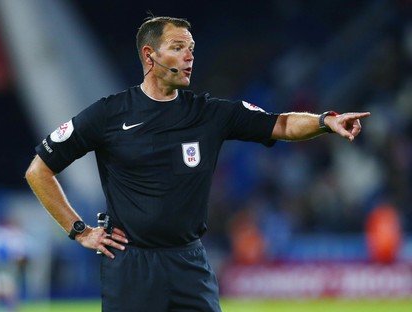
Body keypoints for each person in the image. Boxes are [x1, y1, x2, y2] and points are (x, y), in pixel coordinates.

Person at [25, 16, 370, 311]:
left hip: (188, 261)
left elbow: (278, 124)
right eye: (178, 47)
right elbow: (39, 170)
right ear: (150, 56)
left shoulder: (208, 113)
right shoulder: (109, 114)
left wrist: (325, 121)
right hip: (131, 264)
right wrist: (80, 231)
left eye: (191, 48)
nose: (190, 56)